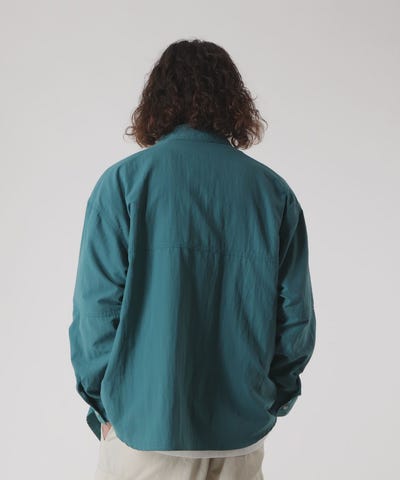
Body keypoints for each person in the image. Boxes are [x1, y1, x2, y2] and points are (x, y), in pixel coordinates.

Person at [68, 38, 317, 480]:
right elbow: (295, 321)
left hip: (142, 432)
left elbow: (95, 315)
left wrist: (109, 407)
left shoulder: (122, 185)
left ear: (157, 101)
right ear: (233, 102)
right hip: (239, 436)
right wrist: (267, 400)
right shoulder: (273, 194)